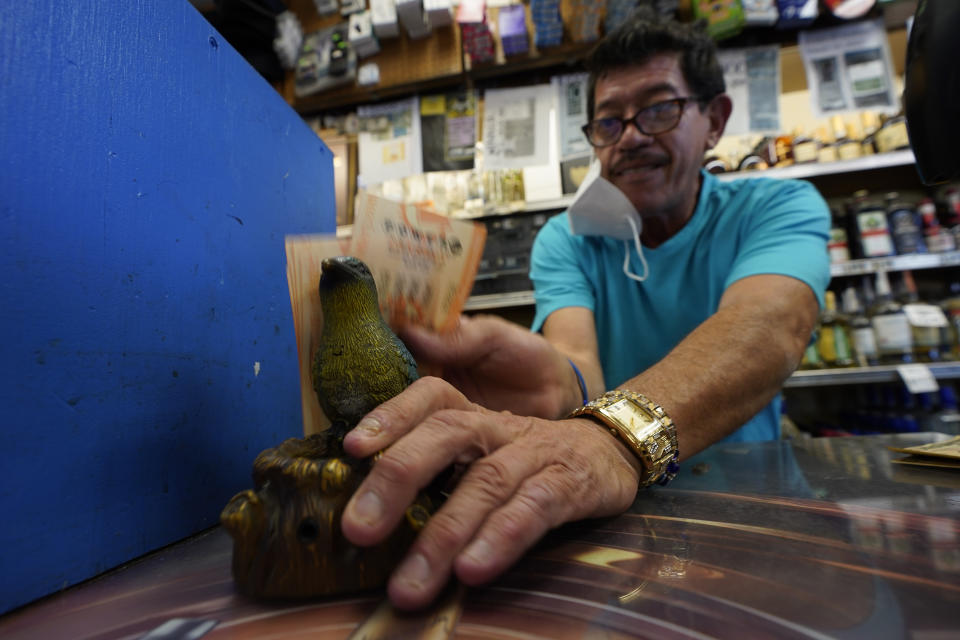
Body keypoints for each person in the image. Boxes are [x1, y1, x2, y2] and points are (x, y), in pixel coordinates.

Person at [340, 8, 830, 610]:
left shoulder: (778, 205)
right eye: (608, 122)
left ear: (714, 121)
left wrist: (612, 439)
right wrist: (555, 383)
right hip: (615, 516)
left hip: (754, 508)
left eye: (658, 109)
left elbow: (769, 327)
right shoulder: (566, 240)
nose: (629, 136)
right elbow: (578, 366)